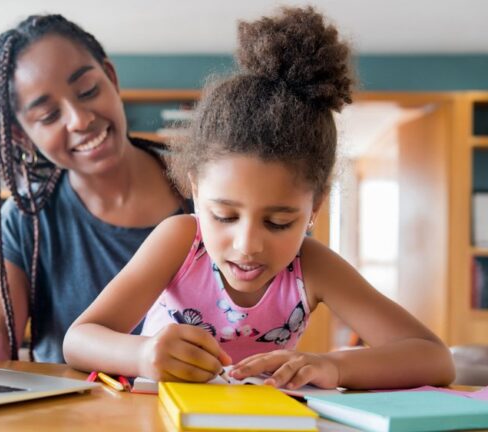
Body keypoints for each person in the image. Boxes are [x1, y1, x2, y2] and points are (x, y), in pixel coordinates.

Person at [63, 7, 455, 390]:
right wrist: (143, 354)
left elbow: (434, 359)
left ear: (314, 207)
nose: (247, 245)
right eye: (224, 216)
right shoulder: (180, 241)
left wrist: (332, 366)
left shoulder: (313, 266)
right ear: (196, 192)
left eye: (278, 222)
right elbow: (78, 340)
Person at [0, 14, 188, 364]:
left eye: (87, 91)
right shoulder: (26, 218)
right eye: (49, 116)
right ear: (22, 134)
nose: (80, 120)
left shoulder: (210, 193)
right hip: (66, 418)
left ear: (111, 78)